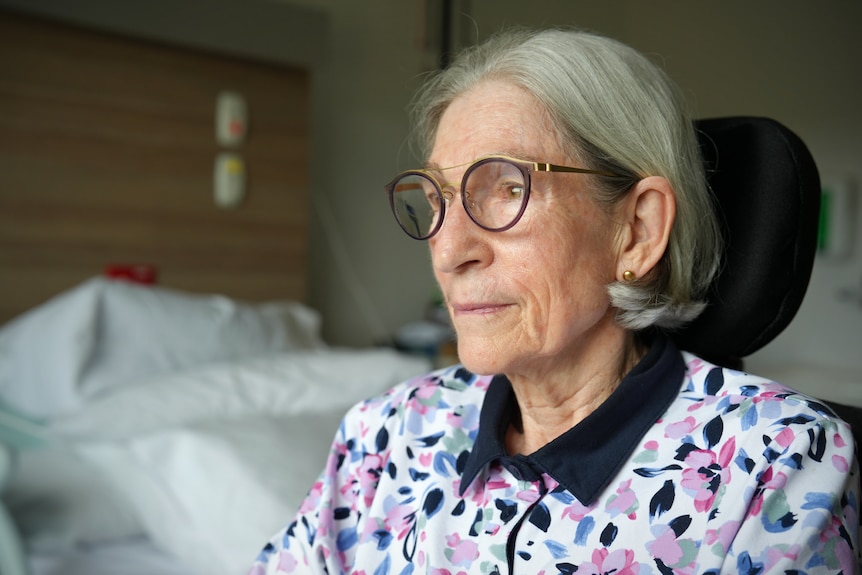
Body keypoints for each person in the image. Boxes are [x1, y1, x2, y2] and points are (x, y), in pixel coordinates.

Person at [249, 28, 860, 574]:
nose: (446, 249)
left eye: (506, 188)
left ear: (638, 230)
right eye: (436, 199)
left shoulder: (776, 464)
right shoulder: (385, 434)